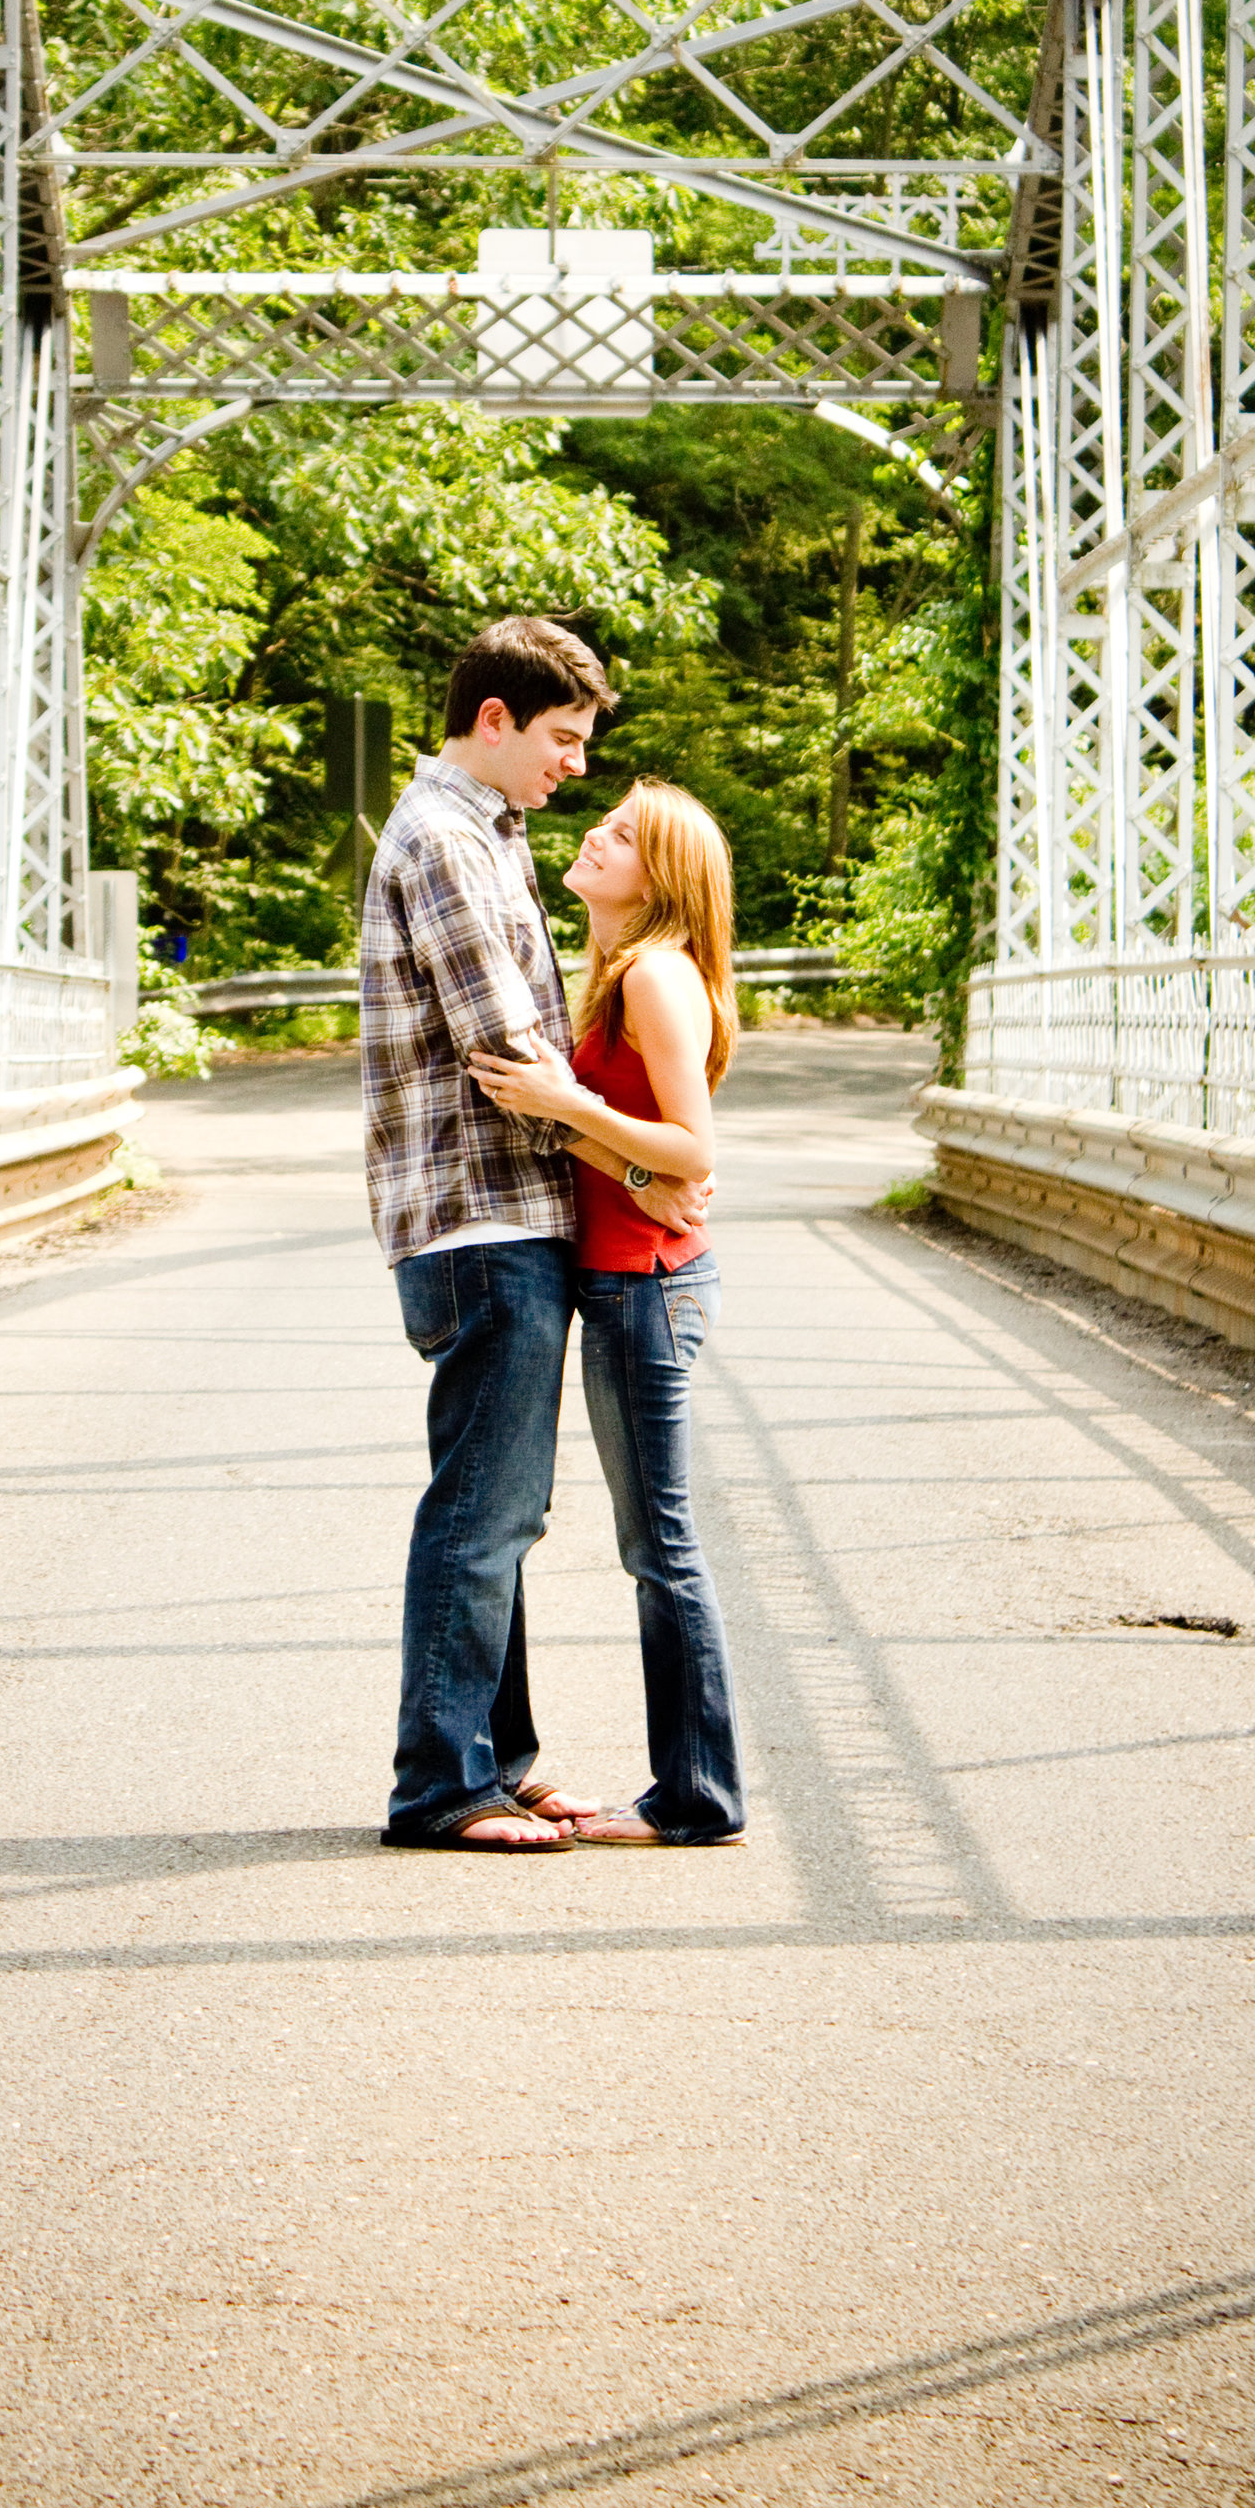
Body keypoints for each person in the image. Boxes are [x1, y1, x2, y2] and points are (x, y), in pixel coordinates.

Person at [363, 619, 710, 1853]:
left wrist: (625, 1164)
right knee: (480, 1513)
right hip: (480, 1215)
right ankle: (441, 1788)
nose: (573, 765)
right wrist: (636, 1164)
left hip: (511, 1213)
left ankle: (495, 1763)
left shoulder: (491, 835)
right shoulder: (449, 842)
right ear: (496, 721)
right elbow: (513, 1063)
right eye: (562, 739)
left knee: (504, 1512)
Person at [469, 780, 746, 1847]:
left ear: (662, 878)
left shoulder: (655, 978)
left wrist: (574, 1111)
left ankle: (696, 1798)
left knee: (660, 1546)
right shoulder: (612, 976)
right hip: (628, 1269)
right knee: (654, 1543)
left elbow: (693, 1148)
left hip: (648, 1287)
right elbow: (636, 1152)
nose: (596, 833)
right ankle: (692, 1789)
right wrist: (615, 1158)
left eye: (625, 834)